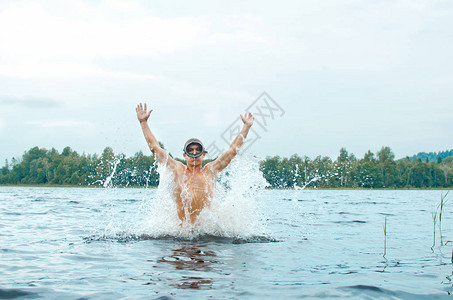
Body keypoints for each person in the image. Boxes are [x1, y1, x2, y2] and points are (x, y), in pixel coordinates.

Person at [136, 103, 254, 224]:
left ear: (203, 155)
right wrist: (143, 123)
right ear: (184, 155)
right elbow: (154, 148)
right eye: (190, 150)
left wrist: (246, 127)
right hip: (182, 233)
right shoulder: (177, 169)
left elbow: (232, 151)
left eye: (198, 150)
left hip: (205, 232)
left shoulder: (210, 170)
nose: (194, 153)